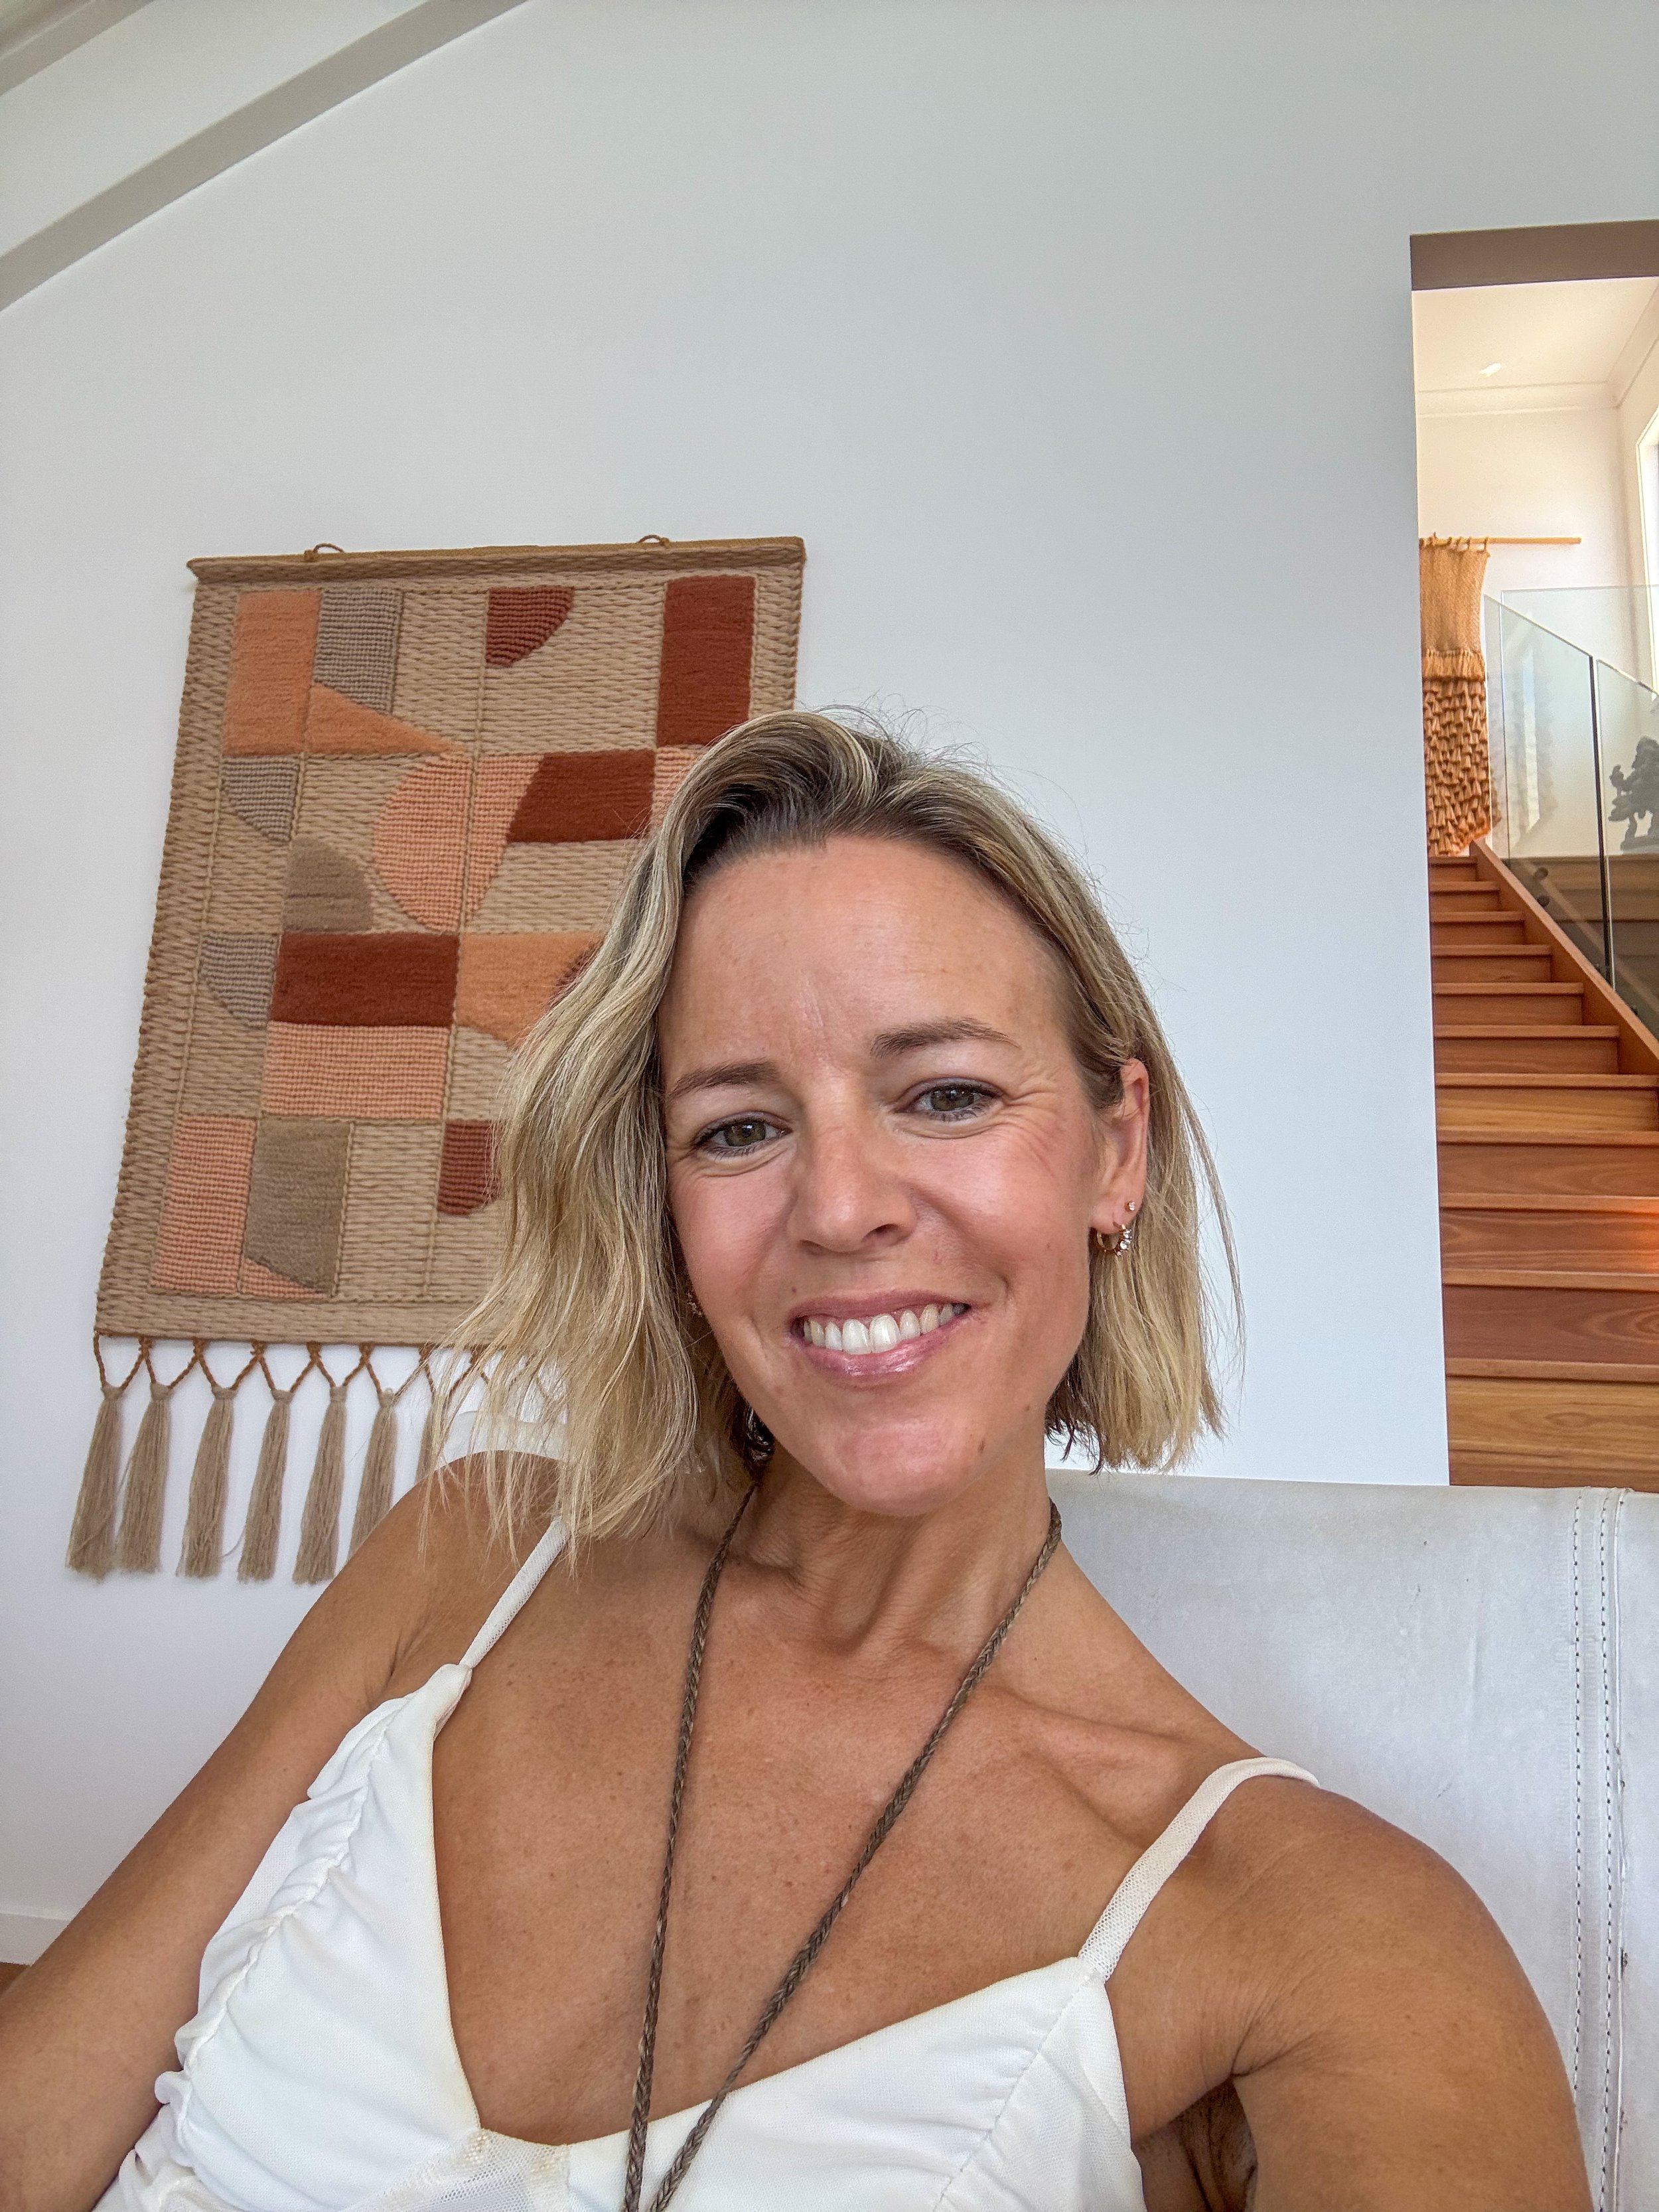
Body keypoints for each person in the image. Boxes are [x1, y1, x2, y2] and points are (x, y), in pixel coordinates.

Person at [1, 714, 1588, 2212]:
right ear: (666, 1203)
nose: (838, 1206)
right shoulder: (469, 1555)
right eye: (739, 1127)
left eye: (946, 1092)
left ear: (1116, 1147)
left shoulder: (1319, 1938)